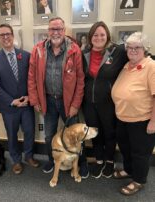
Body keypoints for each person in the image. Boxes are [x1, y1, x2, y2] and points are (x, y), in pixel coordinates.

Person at [28, 17, 88, 178]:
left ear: (64, 30)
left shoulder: (74, 50)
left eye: (59, 29)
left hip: (68, 102)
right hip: (47, 100)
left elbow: (81, 80)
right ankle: (52, 160)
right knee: (49, 135)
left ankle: (81, 163)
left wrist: (76, 104)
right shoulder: (38, 50)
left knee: (76, 135)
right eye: (52, 29)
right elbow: (32, 77)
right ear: (48, 31)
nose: (56, 32)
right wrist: (35, 100)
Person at [0, 24, 39, 175]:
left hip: (26, 104)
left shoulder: (25, 55)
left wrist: (30, 96)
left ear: (12, 35)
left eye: (8, 34)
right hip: (9, 107)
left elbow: (32, 79)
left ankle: (29, 156)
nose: (5, 37)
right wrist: (12, 101)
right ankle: (16, 160)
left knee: (29, 132)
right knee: (12, 134)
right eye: (2, 35)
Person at [82, 21, 128, 179]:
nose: (99, 38)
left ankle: (109, 161)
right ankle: (99, 160)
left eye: (102, 35)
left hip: (109, 103)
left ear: (107, 36)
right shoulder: (84, 53)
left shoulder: (118, 51)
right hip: (88, 103)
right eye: (95, 35)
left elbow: (139, 56)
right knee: (94, 133)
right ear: (90, 37)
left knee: (109, 132)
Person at [111, 32, 155, 195]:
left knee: (140, 153)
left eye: (137, 47)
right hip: (123, 118)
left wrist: (153, 122)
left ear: (145, 49)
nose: (132, 50)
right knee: (125, 148)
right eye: (129, 47)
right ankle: (129, 171)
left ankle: (139, 180)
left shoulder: (151, 66)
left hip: (142, 120)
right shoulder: (126, 66)